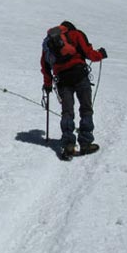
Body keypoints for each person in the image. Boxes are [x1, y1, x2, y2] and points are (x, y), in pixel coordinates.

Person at [41, 20, 107, 158]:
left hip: (62, 80)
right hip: (79, 75)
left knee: (67, 112)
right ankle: (86, 143)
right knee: (86, 109)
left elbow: (45, 65)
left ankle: (68, 144)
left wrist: (47, 84)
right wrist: (101, 54)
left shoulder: (48, 43)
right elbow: (89, 53)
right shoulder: (76, 34)